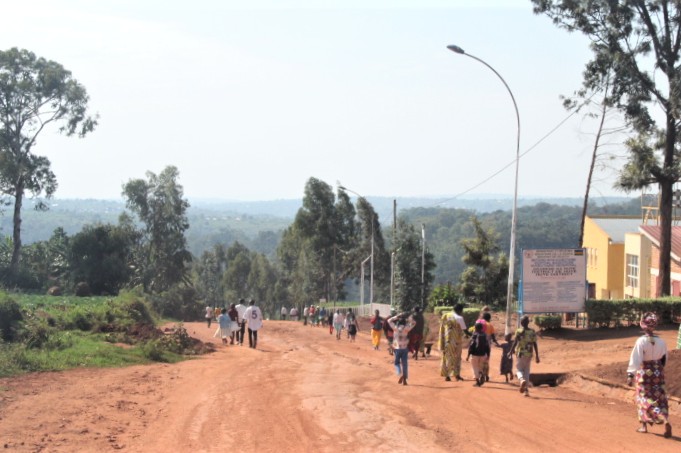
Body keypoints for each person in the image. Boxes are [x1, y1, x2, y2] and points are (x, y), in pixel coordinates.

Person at [626, 312, 672, 438]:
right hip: (658, 372)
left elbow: (636, 358)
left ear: (643, 325)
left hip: (644, 372)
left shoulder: (641, 341)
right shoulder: (662, 342)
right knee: (659, 398)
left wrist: (630, 374)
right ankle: (664, 418)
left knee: (643, 398)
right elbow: (664, 359)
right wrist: (658, 369)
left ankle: (643, 426)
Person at [509, 315, 540, 397]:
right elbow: (534, 344)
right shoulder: (532, 331)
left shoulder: (518, 331)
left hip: (520, 353)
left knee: (519, 370)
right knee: (527, 371)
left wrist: (510, 351)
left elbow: (515, 342)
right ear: (528, 322)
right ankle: (526, 391)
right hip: (529, 354)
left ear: (521, 323)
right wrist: (537, 356)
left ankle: (521, 380)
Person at [388, 313, 415, 385]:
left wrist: (397, 316)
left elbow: (389, 321)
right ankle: (405, 379)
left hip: (397, 348)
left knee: (397, 363)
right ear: (404, 322)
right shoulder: (406, 328)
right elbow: (414, 323)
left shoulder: (395, 328)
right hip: (404, 348)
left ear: (397, 322)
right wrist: (409, 318)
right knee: (405, 363)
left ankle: (400, 374)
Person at [439, 307, 465, 382]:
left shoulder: (446, 315)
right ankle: (457, 375)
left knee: (447, 357)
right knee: (457, 357)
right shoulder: (459, 318)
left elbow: (442, 328)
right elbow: (464, 329)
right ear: (460, 310)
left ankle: (447, 376)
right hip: (456, 341)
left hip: (447, 340)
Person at [466, 322, 490, 386]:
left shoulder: (474, 335)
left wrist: (468, 355)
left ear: (475, 328)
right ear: (482, 328)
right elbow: (487, 346)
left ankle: (477, 381)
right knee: (480, 367)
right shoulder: (485, 335)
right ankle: (481, 373)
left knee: (475, 367)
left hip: (475, 354)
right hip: (483, 354)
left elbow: (471, 346)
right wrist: (488, 355)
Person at [480, 311, 500, 382]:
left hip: (479, 345)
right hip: (487, 346)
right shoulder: (490, 326)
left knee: (480, 360)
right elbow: (493, 337)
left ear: (483, 318)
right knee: (486, 360)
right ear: (489, 318)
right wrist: (497, 344)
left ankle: (480, 373)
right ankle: (486, 375)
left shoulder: (480, 324)